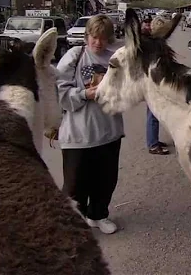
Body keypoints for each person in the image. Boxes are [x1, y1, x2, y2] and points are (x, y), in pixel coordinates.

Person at [55, 14, 124, 234]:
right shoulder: (74, 56)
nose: (98, 42)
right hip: (78, 135)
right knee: (75, 185)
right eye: (94, 37)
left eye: (103, 38)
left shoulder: (115, 59)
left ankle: (98, 215)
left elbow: (125, 92)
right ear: (87, 36)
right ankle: (74, 224)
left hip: (109, 132)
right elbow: (60, 93)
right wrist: (86, 94)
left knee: (105, 180)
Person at [141, 18, 170, 155]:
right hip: (152, 82)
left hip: (155, 81)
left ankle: (154, 140)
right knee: (153, 114)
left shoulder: (153, 42)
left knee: (154, 114)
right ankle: (152, 144)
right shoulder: (150, 44)